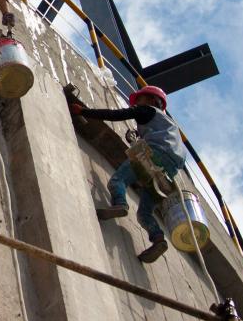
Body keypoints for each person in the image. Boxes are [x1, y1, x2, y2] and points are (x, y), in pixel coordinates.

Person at [69, 86, 185, 263]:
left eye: (140, 99)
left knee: (118, 181)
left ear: (153, 100)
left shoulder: (147, 110)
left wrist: (83, 111)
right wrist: (138, 134)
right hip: (169, 170)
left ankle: (120, 204)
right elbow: (158, 135)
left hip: (155, 154)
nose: (136, 103)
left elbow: (116, 115)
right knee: (145, 213)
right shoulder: (168, 125)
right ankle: (158, 239)